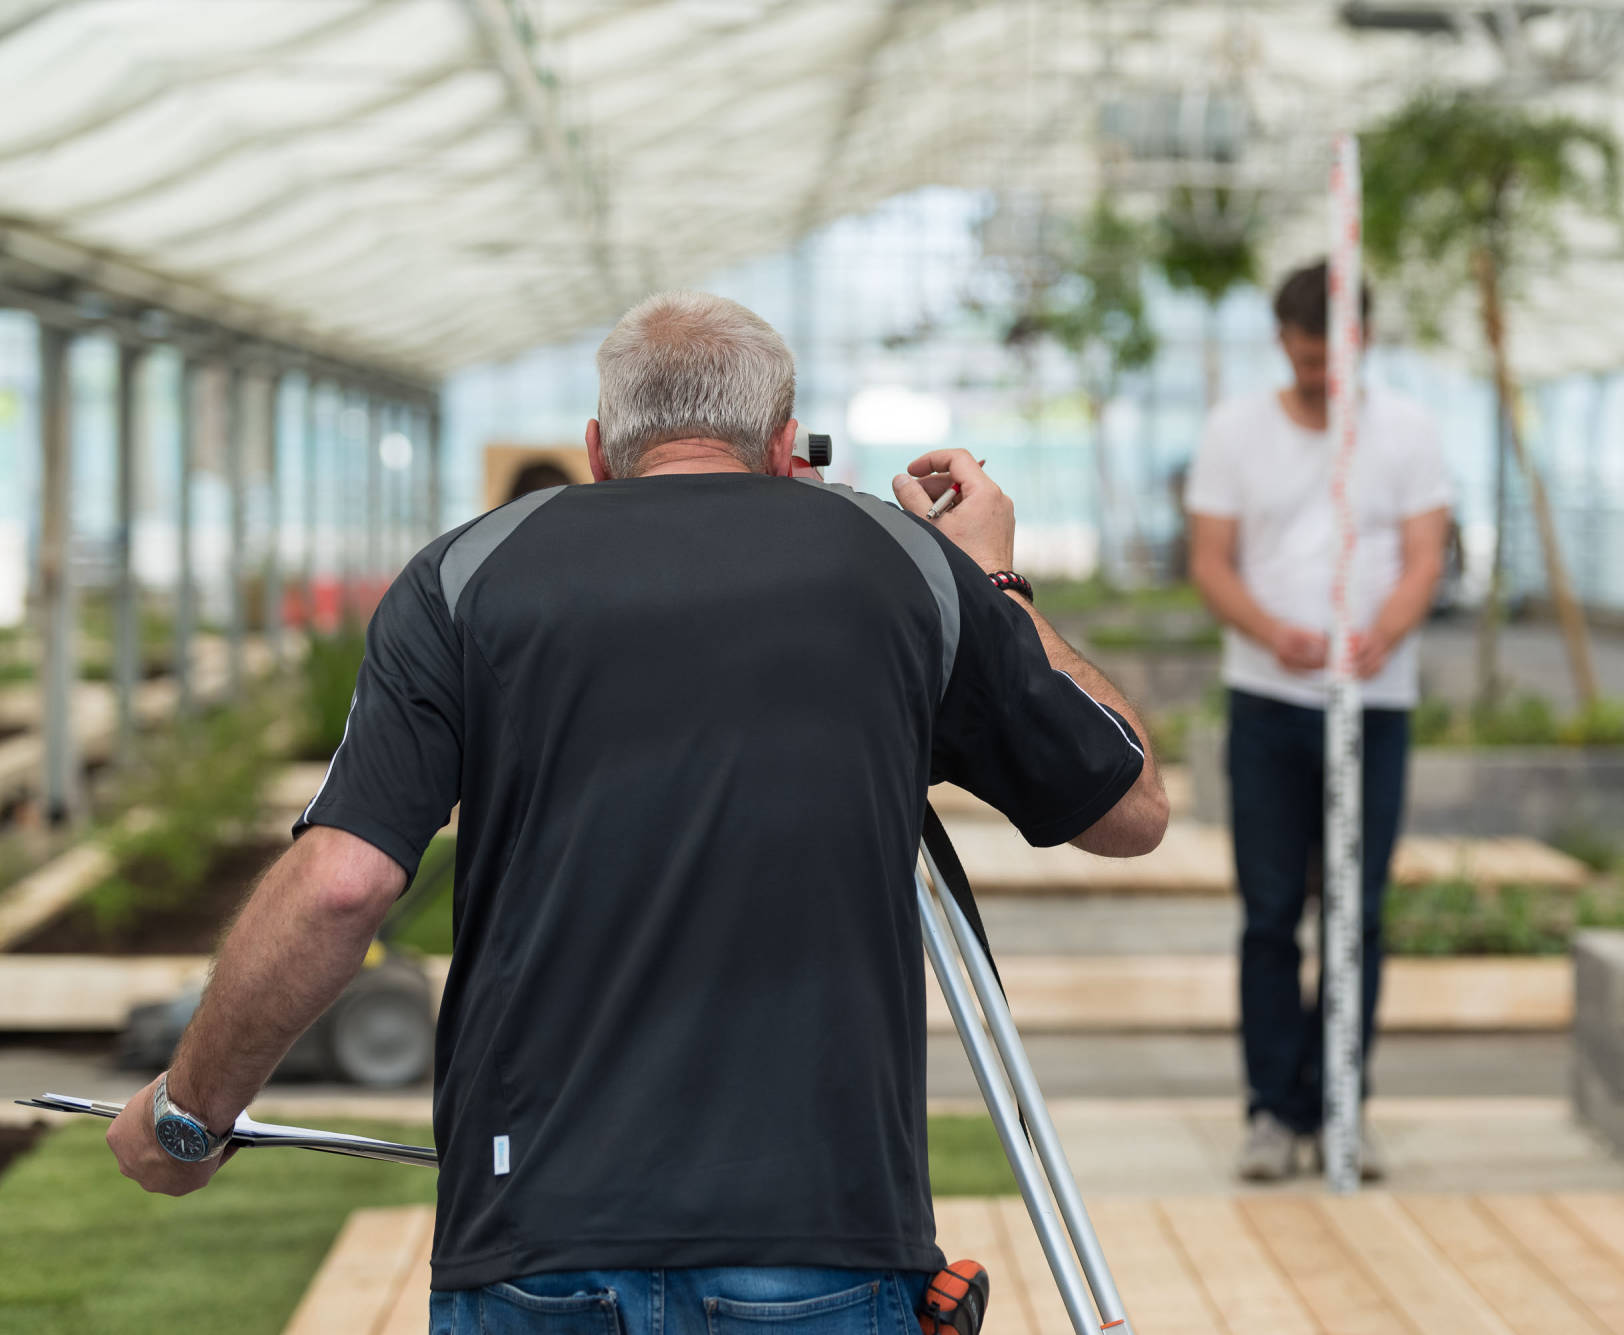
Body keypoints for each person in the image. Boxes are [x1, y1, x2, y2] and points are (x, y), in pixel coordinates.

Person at [106, 291, 1169, 1331]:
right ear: (786, 440)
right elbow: (1127, 808)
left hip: (535, 1233)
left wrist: (188, 1115)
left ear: (598, 446)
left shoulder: (463, 577)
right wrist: (993, 579)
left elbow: (342, 882)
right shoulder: (903, 565)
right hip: (822, 1234)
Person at [1184, 261, 1452, 1182]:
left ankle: (1342, 1102)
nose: (1316, 378)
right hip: (1268, 703)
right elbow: (1213, 560)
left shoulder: (1407, 432)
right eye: (1302, 362)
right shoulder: (1234, 432)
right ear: (1282, 344)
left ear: (1360, 342)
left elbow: (1426, 552)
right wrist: (1273, 633)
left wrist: (1382, 632)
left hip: (1373, 706)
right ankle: (1271, 1109)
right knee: (1268, 913)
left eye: (1328, 362)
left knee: (1359, 910)